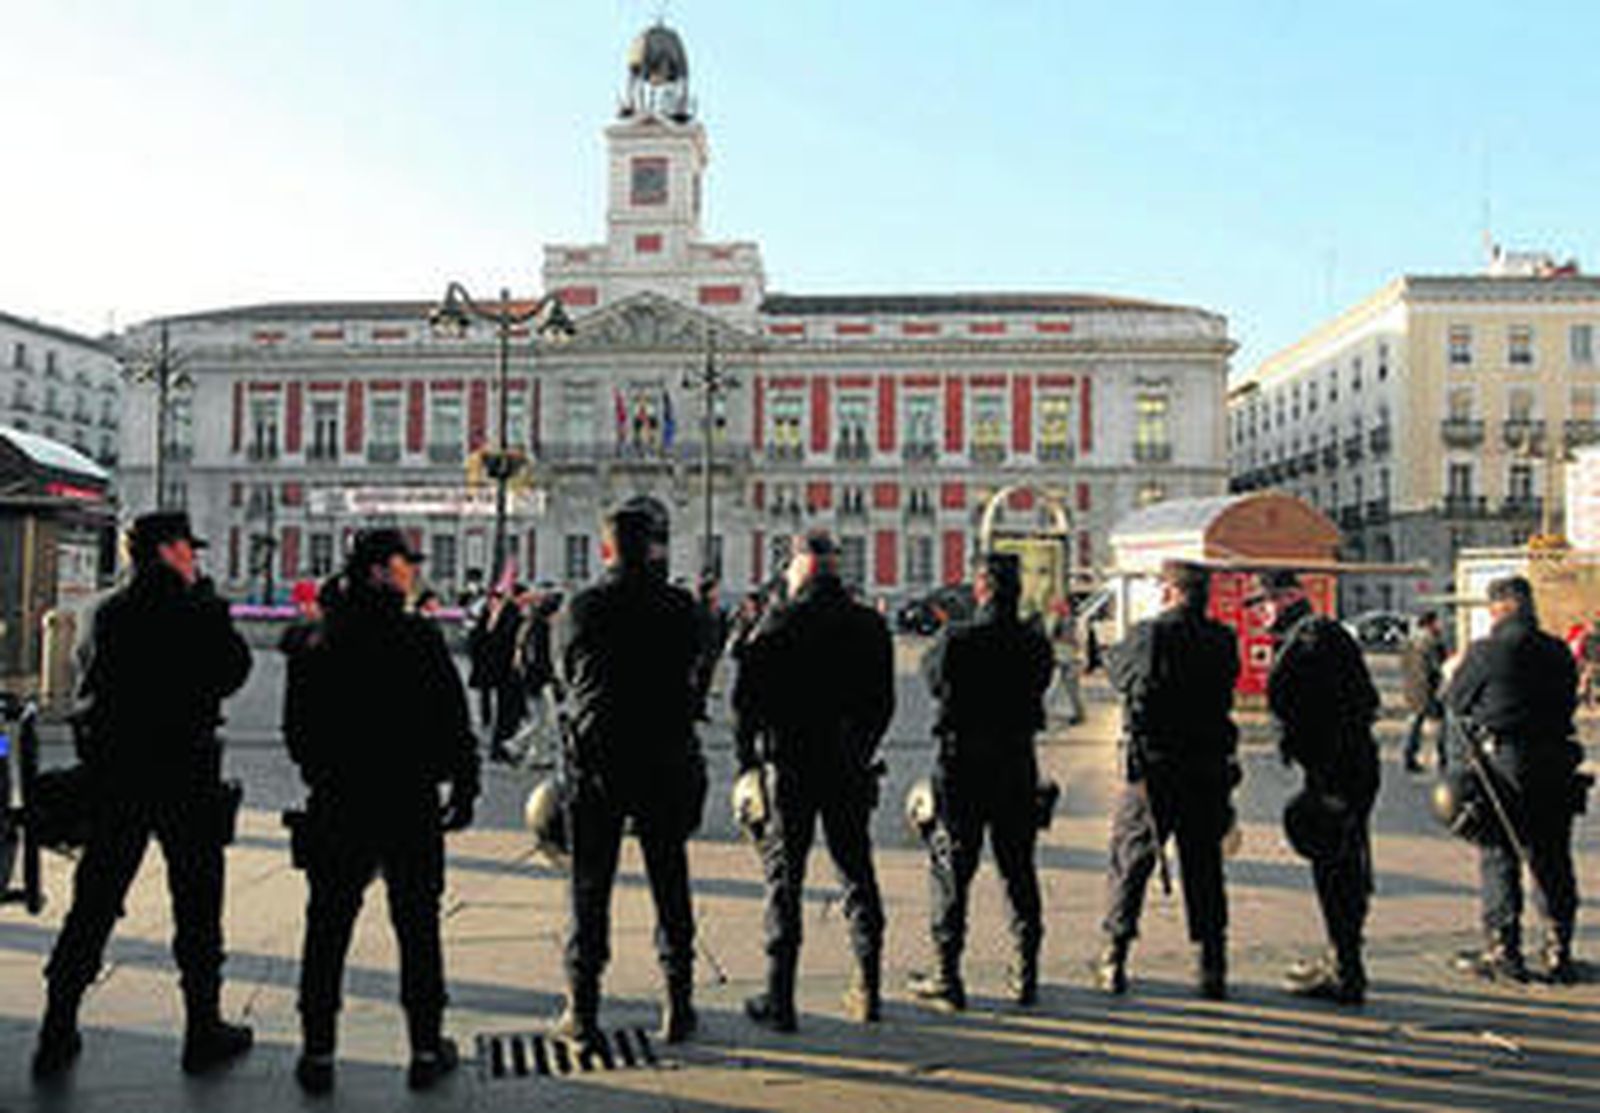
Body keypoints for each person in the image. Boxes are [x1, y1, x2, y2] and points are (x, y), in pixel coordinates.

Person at [33, 512, 253, 1081]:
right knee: (198, 904)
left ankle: (58, 1025)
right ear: (168, 551)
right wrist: (207, 606)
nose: (196, 559)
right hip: (184, 775)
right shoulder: (195, 608)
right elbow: (233, 671)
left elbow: (86, 677)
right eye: (189, 549)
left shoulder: (102, 611)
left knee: (95, 901)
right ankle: (202, 1027)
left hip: (117, 776)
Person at [282, 529, 480, 1093]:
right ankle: (424, 1047)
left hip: (338, 801)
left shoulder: (315, 639)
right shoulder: (416, 636)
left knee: (326, 927)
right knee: (418, 926)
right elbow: (452, 717)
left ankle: (317, 1051)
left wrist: (324, 775)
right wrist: (462, 786)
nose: (411, 572)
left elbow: (297, 731)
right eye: (402, 564)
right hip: (407, 801)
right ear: (376, 571)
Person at [550, 497, 707, 1052]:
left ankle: (582, 1009)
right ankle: (679, 1004)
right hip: (664, 755)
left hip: (599, 761)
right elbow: (698, 670)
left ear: (607, 548)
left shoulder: (582, 607)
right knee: (671, 880)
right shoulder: (681, 607)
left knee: (589, 886)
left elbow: (565, 673)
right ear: (657, 549)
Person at [733, 530, 895, 1032]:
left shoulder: (777, 622)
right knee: (856, 873)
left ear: (800, 568)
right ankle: (868, 987)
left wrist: (749, 763)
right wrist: (861, 749)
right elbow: (884, 703)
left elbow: (744, 704)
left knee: (785, 881)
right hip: (847, 765)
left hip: (792, 766)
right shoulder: (869, 624)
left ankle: (780, 998)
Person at [908, 553, 1056, 1011]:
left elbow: (931, 679)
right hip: (1016, 763)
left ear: (981, 588)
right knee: (1019, 871)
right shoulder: (1035, 643)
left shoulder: (958, 639)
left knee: (952, 869)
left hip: (963, 766)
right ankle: (1026, 974)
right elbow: (1041, 686)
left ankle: (948, 975)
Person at [1097, 561, 1240, 1000]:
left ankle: (1113, 958)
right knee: (1205, 868)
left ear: (1170, 591)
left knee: (1131, 861)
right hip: (1207, 769)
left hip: (1154, 773)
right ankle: (1211, 965)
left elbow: (1117, 672)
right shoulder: (1221, 639)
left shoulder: (1150, 635)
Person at [1442, 575, 1582, 983]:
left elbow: (1455, 702)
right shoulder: (1557, 651)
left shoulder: (1486, 651)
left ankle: (1505, 952)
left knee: (1500, 857)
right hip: (1557, 765)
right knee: (1553, 858)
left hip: (1506, 767)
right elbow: (1568, 699)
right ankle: (1559, 950)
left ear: (1498, 607)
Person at [1254, 570, 1380, 1005]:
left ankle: (1346, 970)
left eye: (1267, 601)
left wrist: (1304, 748)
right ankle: (1344, 958)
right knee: (1347, 859)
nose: (1262, 612)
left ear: (1289, 597)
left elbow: (1299, 706)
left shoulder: (1310, 641)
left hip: (1334, 767)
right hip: (1351, 763)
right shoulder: (1322, 633)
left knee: (1336, 867)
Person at [1400, 611, 1447, 773]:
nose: (1441, 625)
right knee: (1437, 726)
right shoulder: (1432, 642)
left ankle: (1408, 756)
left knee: (1414, 724)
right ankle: (1440, 759)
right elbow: (1439, 667)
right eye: (1438, 622)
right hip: (1430, 689)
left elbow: (1404, 665)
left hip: (1413, 688)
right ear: (1430, 624)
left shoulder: (1410, 643)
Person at [1048, 598, 1087, 725]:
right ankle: (1077, 714)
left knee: (1070, 688)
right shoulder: (1069, 621)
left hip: (1069, 658)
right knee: (1066, 688)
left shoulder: (1070, 622)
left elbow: (1070, 639)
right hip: (1066, 657)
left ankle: (1079, 714)